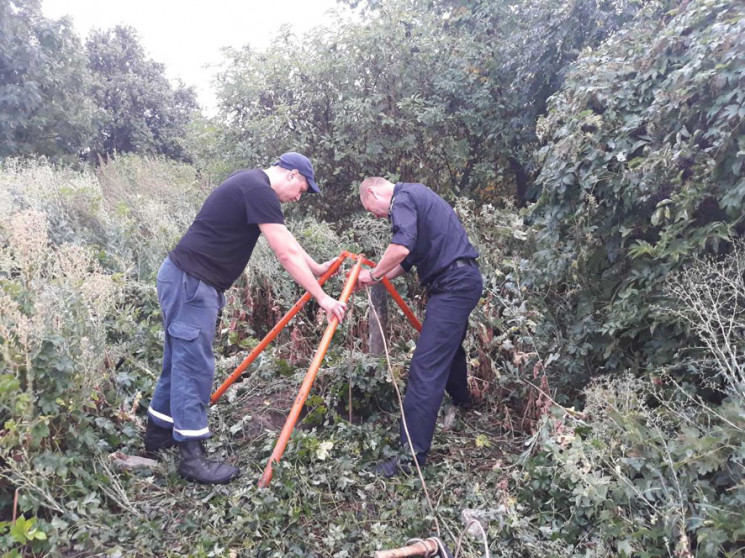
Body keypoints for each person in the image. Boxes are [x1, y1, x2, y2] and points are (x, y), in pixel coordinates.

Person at [144, 152, 347, 484]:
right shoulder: (258, 189)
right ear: (293, 174)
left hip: (184, 280)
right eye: (302, 189)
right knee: (194, 364)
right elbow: (284, 253)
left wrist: (318, 268)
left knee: (179, 359)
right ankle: (192, 458)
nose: (298, 197)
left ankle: (157, 436)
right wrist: (322, 297)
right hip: (191, 284)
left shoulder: (251, 183)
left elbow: (288, 241)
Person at [356, 177, 482, 477]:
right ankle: (464, 401)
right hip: (461, 281)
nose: (375, 216)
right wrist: (379, 275)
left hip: (453, 285)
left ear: (373, 192)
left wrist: (372, 274)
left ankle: (410, 458)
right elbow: (404, 262)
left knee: (425, 367)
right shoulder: (416, 198)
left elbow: (399, 249)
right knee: (448, 350)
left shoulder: (402, 199)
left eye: (370, 209)